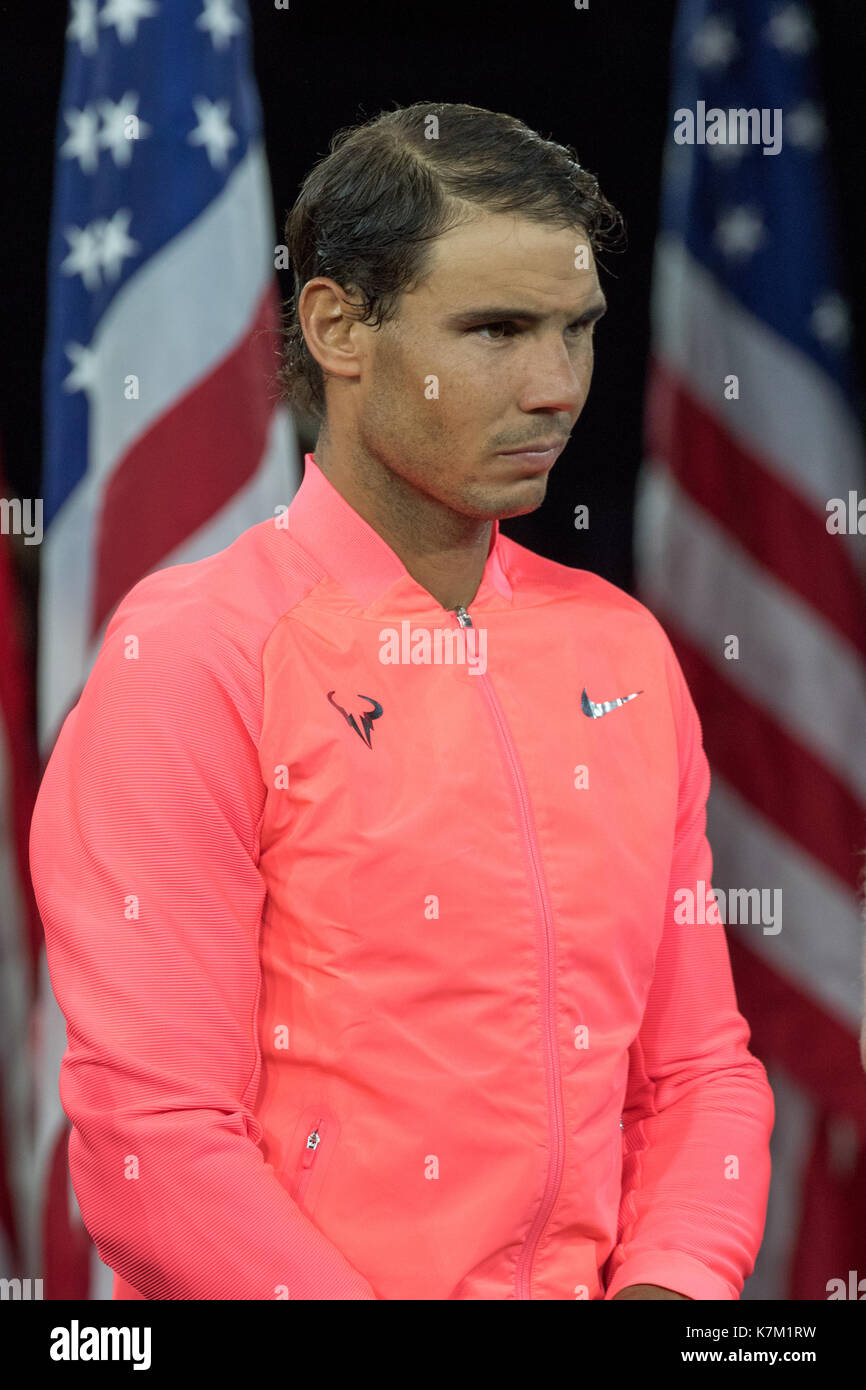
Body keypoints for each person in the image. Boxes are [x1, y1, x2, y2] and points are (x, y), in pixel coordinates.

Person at [29, 100, 774, 1301]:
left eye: (575, 331)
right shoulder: (190, 655)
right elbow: (153, 1137)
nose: (554, 387)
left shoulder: (621, 650)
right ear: (336, 325)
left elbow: (696, 1073)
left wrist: (671, 1287)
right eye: (494, 329)